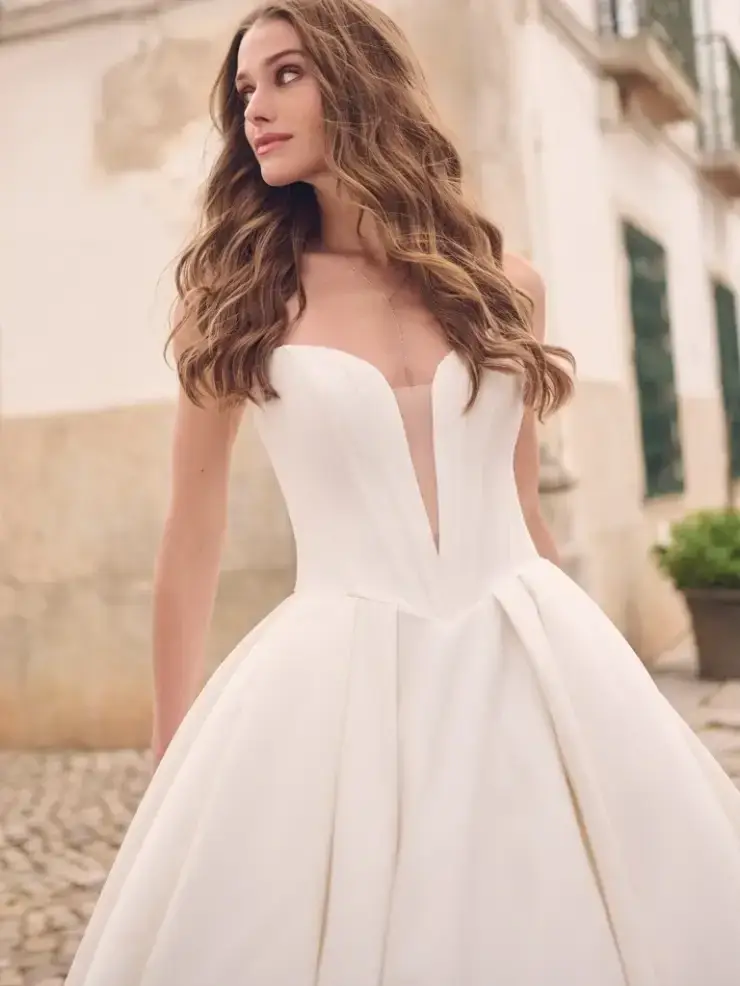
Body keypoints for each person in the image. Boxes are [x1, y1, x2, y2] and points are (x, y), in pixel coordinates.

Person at [66, 1, 740, 983]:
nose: (255, 107)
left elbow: (521, 500)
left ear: (358, 77)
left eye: (285, 74)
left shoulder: (502, 283)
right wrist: (172, 747)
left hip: (523, 636)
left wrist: (584, 673)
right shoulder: (242, 299)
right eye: (244, 89)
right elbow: (192, 529)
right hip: (336, 667)